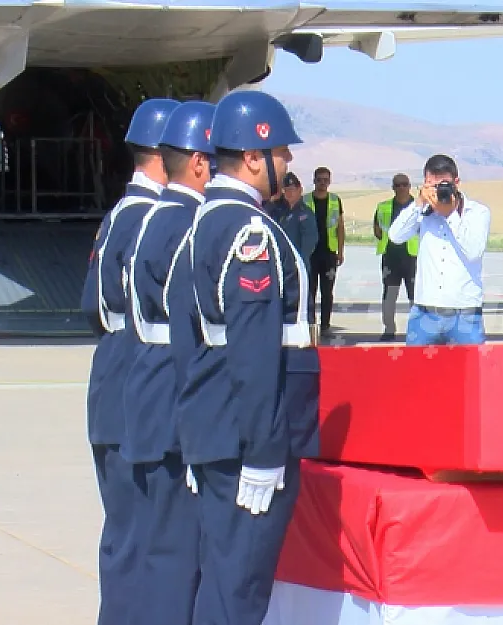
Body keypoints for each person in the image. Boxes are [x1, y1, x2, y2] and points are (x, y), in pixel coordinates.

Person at [173, 89, 314, 625]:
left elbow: (190, 342)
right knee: (240, 591)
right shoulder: (250, 232)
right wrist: (261, 451)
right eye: (281, 153)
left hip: (215, 431)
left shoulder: (202, 224)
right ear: (254, 157)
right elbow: (255, 356)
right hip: (244, 442)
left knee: (224, 581)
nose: (288, 162)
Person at [80, 96, 178, 625]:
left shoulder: (120, 213)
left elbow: (90, 303)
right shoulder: (154, 218)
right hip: (139, 388)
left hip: (109, 382)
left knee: (123, 537)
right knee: (148, 540)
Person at [118, 100, 215, 625]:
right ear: (198, 163)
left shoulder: (149, 217)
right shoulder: (189, 225)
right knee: (179, 558)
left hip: (145, 397)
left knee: (157, 552)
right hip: (173, 407)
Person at [388, 154, 492, 346]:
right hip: (425, 312)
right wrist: (418, 203)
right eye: (432, 186)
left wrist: (450, 215)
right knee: (416, 374)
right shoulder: (423, 212)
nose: (438, 192)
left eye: (444, 185)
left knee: (470, 375)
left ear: (457, 183)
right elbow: (395, 236)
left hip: (465, 314)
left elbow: (474, 251)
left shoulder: (477, 212)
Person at [373, 172, 418, 340]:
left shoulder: (419, 208)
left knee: (415, 296)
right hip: (391, 258)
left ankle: (415, 330)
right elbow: (377, 229)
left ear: (409, 186)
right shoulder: (383, 207)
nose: (401, 188)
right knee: (389, 295)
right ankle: (389, 329)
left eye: (404, 184)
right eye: (398, 185)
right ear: (393, 187)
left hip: (413, 257)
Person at [307, 166, 344, 337]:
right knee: (310, 291)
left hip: (329, 253)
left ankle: (325, 325)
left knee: (327, 291)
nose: (322, 183)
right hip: (310, 253)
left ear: (329, 181)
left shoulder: (335, 200)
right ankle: (310, 324)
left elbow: (340, 227)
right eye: (319, 180)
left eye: (325, 180)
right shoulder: (305, 200)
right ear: (314, 181)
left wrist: (340, 251)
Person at [266, 171, 319, 263]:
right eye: (286, 190)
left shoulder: (305, 214)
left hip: (298, 263)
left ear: (300, 190)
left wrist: (299, 262)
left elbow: (309, 243)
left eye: (292, 189)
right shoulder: (279, 211)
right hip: (280, 262)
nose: (289, 193)